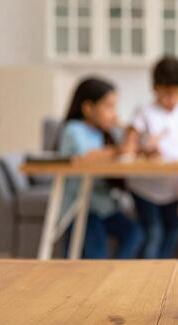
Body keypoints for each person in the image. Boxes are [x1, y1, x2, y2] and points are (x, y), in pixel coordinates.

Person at [57, 77, 144, 259]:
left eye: (115, 107)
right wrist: (118, 150)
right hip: (81, 207)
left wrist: (122, 130)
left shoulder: (104, 133)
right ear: (88, 108)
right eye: (109, 107)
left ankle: (116, 274)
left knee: (134, 233)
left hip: (105, 206)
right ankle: (101, 277)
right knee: (96, 251)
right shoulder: (73, 129)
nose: (113, 113)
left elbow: (129, 149)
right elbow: (84, 158)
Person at [122, 56, 178, 258]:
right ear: (155, 88)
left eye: (177, 93)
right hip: (146, 187)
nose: (172, 99)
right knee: (153, 232)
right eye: (166, 93)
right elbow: (128, 146)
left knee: (174, 231)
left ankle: (161, 273)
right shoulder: (144, 112)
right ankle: (146, 277)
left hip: (174, 187)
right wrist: (144, 148)